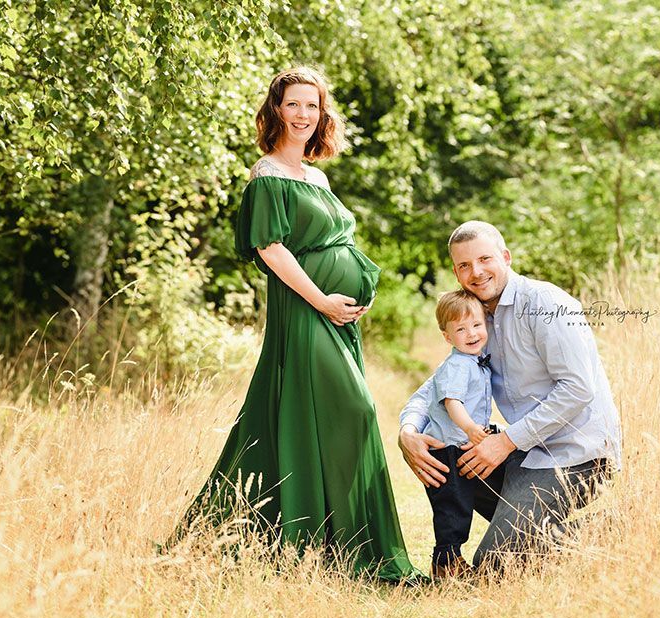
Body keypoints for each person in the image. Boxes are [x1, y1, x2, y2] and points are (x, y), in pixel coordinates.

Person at [174, 66, 421, 583]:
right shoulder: (267, 175)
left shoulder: (318, 177)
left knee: (325, 415)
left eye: (312, 105)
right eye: (293, 105)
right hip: (305, 310)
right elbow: (271, 248)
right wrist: (323, 300)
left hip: (335, 314)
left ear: (321, 112)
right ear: (276, 110)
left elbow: (335, 244)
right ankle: (327, 545)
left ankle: (333, 550)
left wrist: (353, 292)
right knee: (352, 409)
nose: (304, 114)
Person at [398, 221, 622, 572]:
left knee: (494, 566)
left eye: (485, 259)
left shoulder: (546, 303)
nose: (476, 272)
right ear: (456, 273)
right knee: (452, 455)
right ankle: (538, 531)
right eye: (464, 266)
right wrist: (408, 430)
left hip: (576, 454)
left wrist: (505, 442)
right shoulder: (474, 320)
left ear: (506, 257)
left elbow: (578, 388)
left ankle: (610, 530)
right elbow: (436, 386)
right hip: (526, 451)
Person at [419, 289, 496, 579]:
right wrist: (470, 428)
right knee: (452, 509)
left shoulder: (475, 360)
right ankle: (445, 563)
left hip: (461, 444)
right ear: (447, 337)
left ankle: (451, 559)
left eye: (476, 325)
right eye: (461, 329)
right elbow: (453, 402)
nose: (472, 333)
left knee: (463, 503)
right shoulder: (456, 365)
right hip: (446, 448)